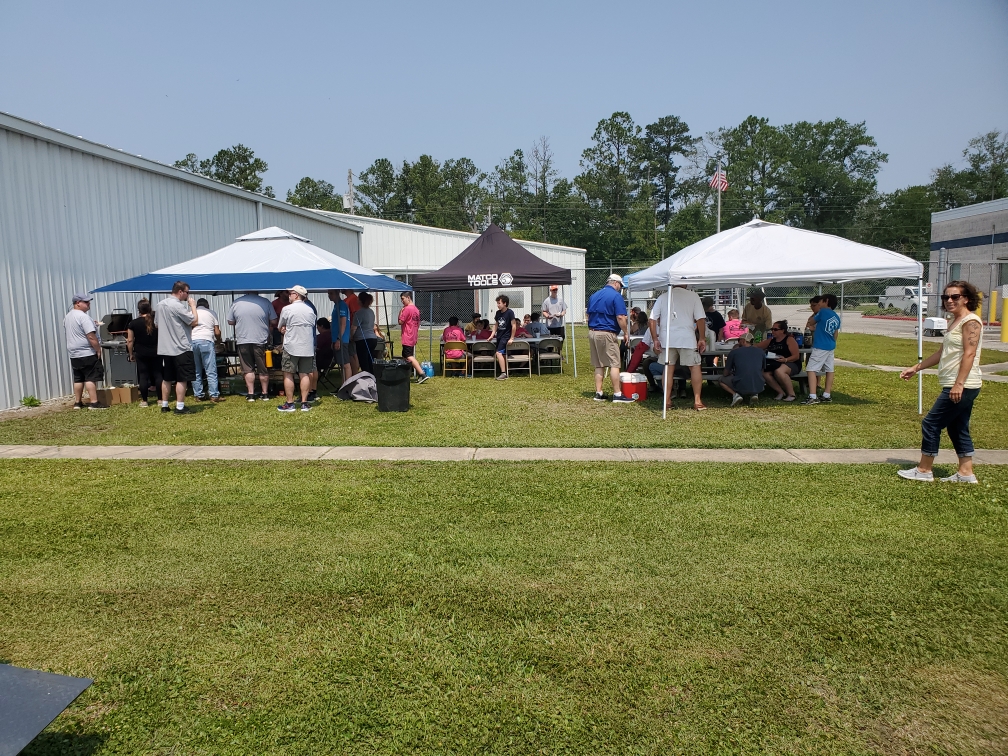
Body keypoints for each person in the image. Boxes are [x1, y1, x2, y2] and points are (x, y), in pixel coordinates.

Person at [898, 281, 984, 483]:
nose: (949, 301)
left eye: (955, 297)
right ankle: (966, 473)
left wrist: (959, 384)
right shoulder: (954, 322)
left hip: (964, 384)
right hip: (957, 383)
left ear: (966, 299)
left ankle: (924, 469)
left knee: (931, 423)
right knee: (957, 426)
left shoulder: (971, 322)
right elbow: (941, 353)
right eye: (946, 297)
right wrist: (916, 368)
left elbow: (969, 354)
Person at [649, 284, 707, 411]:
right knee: (695, 367)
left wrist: (655, 339)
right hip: (687, 337)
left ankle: (667, 400)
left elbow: (652, 319)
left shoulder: (663, 297)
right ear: (685, 283)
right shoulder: (693, 296)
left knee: (668, 368)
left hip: (667, 337)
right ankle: (697, 401)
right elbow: (700, 319)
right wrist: (702, 338)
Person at [155, 281, 199, 414]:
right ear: (180, 292)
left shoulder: (159, 305)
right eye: (187, 292)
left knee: (167, 378)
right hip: (181, 347)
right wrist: (193, 306)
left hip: (166, 348)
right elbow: (194, 321)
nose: (188, 295)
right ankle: (180, 407)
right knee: (182, 378)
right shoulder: (177, 306)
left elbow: (157, 324)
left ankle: (165, 405)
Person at [587, 274, 633, 402]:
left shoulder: (594, 295)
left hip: (593, 331)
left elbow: (588, 315)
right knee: (614, 363)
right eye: (620, 286)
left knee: (598, 363)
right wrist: (626, 332)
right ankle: (617, 394)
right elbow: (620, 317)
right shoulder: (616, 296)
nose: (620, 289)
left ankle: (599, 393)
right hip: (607, 332)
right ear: (616, 283)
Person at [227, 291, 276, 402]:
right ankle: (265, 394)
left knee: (248, 368)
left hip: (243, 340)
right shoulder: (265, 302)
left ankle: (251, 394)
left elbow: (230, 321)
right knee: (262, 369)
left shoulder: (236, 302)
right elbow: (274, 320)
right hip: (261, 340)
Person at [276, 285, 316, 412]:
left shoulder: (287, 309)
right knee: (304, 373)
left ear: (297, 295)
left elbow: (280, 326)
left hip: (292, 345)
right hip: (307, 346)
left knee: (288, 373)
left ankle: (290, 403)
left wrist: (284, 330)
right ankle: (304, 402)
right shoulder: (310, 310)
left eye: (291, 293)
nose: (289, 295)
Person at [63, 293, 106, 410]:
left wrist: (93, 324)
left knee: (78, 378)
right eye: (86, 302)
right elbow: (91, 336)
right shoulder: (84, 317)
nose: (89, 304)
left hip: (74, 353)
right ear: (78, 303)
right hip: (87, 351)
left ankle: (77, 402)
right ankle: (94, 402)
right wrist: (98, 349)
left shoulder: (68, 316)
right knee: (90, 377)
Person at [802, 294, 841, 405]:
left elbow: (811, 322)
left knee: (811, 369)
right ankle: (827, 394)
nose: (818, 304)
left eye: (821, 301)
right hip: (831, 345)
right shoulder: (836, 316)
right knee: (829, 369)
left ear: (826, 301)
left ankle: (813, 396)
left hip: (820, 346)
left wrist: (813, 320)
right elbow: (834, 332)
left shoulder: (822, 312)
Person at [127, 299, 162, 407]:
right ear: (150, 308)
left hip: (141, 352)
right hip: (157, 351)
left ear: (139, 310)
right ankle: (160, 399)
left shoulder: (133, 323)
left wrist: (131, 353)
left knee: (143, 375)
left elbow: (130, 340)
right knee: (158, 374)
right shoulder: (156, 322)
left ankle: (144, 400)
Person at [719, 332, 766, 406]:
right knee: (755, 375)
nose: (738, 342)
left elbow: (725, 372)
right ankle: (754, 393)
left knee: (721, 380)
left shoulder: (734, 352)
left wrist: (731, 373)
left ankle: (735, 395)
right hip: (760, 384)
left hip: (740, 383)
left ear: (743, 341)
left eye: (739, 340)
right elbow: (762, 370)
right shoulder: (761, 351)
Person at [758, 320, 801, 401]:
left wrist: (785, 359)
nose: (773, 331)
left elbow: (796, 356)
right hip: (776, 363)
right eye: (772, 329)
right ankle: (780, 392)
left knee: (779, 371)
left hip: (791, 362)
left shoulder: (789, 339)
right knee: (764, 373)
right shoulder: (771, 340)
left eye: (775, 329)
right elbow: (757, 346)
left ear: (782, 330)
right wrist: (746, 345)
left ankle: (791, 394)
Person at [190, 298, 222, 402]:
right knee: (210, 370)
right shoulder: (211, 313)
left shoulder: (191, 312)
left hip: (193, 341)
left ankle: (198, 395)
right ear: (207, 305)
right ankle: (214, 395)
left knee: (196, 370)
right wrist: (219, 341)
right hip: (206, 341)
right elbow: (216, 332)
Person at [397, 292, 428, 383]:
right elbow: (418, 324)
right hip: (413, 335)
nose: (402, 301)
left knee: (409, 356)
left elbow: (400, 322)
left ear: (408, 298)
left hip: (407, 335)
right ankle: (404, 374)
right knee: (404, 356)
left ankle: (422, 374)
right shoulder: (416, 309)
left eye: (403, 299)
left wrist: (400, 312)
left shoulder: (407, 309)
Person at [488, 294, 519, 380]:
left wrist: (512, 338)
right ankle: (507, 371)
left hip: (506, 336)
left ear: (505, 303)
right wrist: (492, 335)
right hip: (499, 336)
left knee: (498, 353)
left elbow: (514, 325)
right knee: (503, 355)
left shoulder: (510, 312)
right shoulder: (498, 313)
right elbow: (496, 325)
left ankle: (503, 373)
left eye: (499, 303)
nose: (498, 305)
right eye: (497, 303)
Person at [351, 292, 383, 374]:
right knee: (370, 359)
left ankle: (367, 378)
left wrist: (351, 337)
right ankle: (372, 376)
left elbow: (354, 328)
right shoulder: (371, 311)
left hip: (362, 340)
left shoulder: (359, 313)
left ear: (361, 301)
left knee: (364, 361)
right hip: (372, 339)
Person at [328, 290, 353, 385]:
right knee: (341, 363)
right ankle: (343, 384)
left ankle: (348, 386)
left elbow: (343, 323)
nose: (329, 296)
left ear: (337, 294)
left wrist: (339, 338)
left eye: (331, 293)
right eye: (329, 294)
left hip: (342, 339)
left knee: (346, 364)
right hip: (336, 338)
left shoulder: (342, 305)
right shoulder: (336, 306)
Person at [342, 290, 362, 374]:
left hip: (351, 331)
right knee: (351, 353)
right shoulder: (348, 299)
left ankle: (355, 374)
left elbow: (356, 315)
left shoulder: (353, 299)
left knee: (352, 354)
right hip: (348, 331)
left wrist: (352, 331)